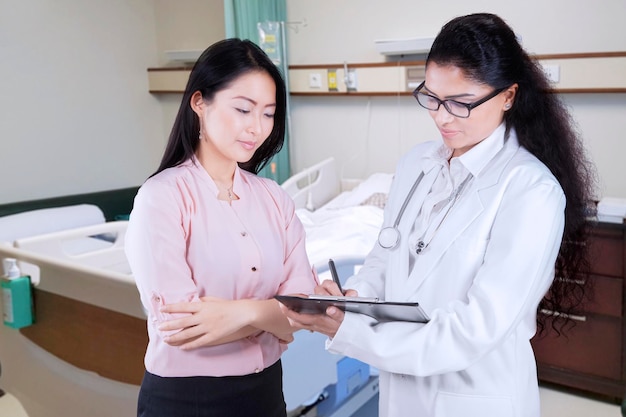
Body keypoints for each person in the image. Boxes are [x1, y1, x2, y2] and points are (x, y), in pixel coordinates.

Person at [280, 13, 596, 417]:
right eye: (431, 97)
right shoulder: (416, 164)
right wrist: (352, 299)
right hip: (402, 396)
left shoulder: (530, 191)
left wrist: (351, 333)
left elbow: (472, 330)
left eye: (461, 103)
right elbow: (384, 255)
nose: (442, 116)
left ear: (508, 96)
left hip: (475, 399)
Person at [125, 38, 316, 417]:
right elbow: (181, 327)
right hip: (188, 398)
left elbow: (304, 307)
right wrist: (274, 317)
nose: (256, 127)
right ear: (199, 102)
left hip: (265, 392)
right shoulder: (162, 197)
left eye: (268, 113)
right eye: (243, 109)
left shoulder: (274, 198)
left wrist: (241, 313)